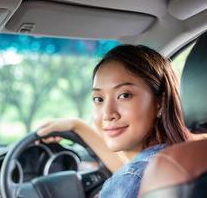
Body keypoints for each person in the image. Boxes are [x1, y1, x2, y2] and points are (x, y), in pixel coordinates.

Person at [37, 45, 193, 198]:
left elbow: (132, 176)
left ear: (160, 102)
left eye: (124, 95)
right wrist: (77, 126)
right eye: (98, 99)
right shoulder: (189, 155)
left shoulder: (132, 178)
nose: (107, 114)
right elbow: (131, 171)